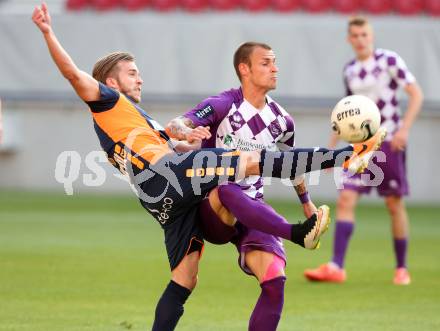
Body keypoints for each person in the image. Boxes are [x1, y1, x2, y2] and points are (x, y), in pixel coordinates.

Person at [32, 4, 385, 330]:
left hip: (161, 200)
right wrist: (49, 33)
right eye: (132, 74)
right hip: (167, 176)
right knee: (247, 163)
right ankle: (330, 182)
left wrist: (189, 140)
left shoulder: (134, 120)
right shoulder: (108, 101)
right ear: (111, 82)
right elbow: (75, 76)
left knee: (185, 278)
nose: (140, 79)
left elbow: (168, 142)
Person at [167, 42, 324, 331]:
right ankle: (296, 233)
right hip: (213, 209)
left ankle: (294, 232)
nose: (275, 68)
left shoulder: (282, 121)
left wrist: (306, 202)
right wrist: (187, 130)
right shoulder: (223, 104)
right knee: (228, 189)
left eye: (275, 62)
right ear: (244, 69)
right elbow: (176, 124)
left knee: (275, 281)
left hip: (252, 212)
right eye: (266, 63)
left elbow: (291, 163)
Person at [304, 16, 423, 286]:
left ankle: (402, 268)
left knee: (394, 205)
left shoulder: (388, 61)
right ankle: (336, 266)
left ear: (372, 36)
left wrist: (404, 130)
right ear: (349, 39)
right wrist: (330, 151)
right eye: (355, 35)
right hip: (359, 147)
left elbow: (416, 94)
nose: (360, 39)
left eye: (364, 35)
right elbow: (346, 113)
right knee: (345, 199)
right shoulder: (350, 71)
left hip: (388, 141)